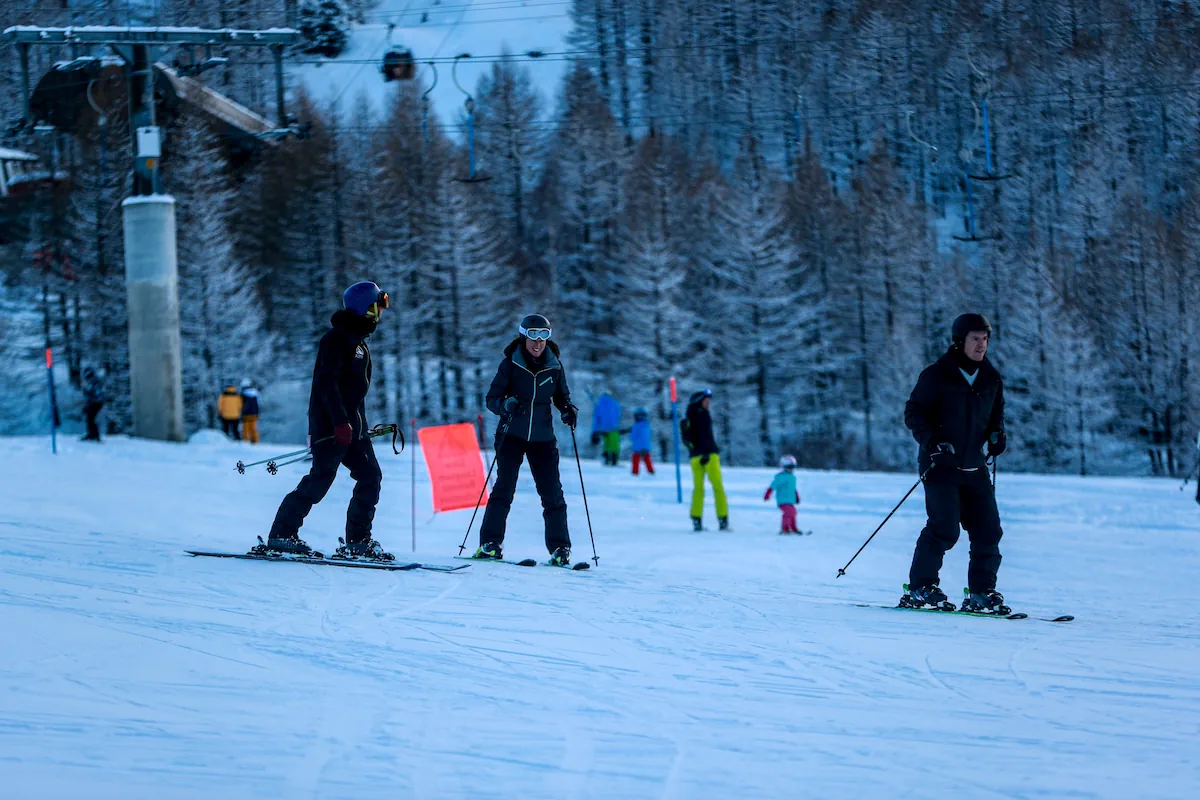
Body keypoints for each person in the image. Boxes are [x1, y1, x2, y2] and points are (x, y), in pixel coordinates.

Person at [263, 281, 393, 561]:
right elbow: (326, 383)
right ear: (365, 308)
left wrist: (359, 426)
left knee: (371, 476)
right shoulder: (336, 339)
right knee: (321, 479)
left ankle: (358, 542)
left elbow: (354, 395)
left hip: (352, 430)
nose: (380, 313)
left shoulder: (359, 343)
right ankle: (281, 535)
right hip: (331, 426)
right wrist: (339, 422)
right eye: (377, 307)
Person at [902, 312, 1008, 613]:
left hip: (975, 467)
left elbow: (995, 415)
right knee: (944, 529)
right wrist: (933, 444)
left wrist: (998, 435)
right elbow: (914, 413)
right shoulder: (937, 374)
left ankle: (982, 593)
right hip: (941, 466)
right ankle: (921, 588)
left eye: (985, 339)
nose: (982, 345)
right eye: (976, 339)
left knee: (988, 531)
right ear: (960, 341)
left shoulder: (990, 377)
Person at [476, 313, 579, 566]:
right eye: (533, 336)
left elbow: (562, 397)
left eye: (543, 336)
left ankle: (560, 548)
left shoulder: (554, 365)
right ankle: (490, 544)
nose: (538, 342)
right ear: (524, 337)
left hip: (542, 439)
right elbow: (492, 400)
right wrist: (505, 405)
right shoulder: (511, 363)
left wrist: (567, 410)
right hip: (511, 434)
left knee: (552, 494)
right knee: (503, 490)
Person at [681, 389, 729, 531]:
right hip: (709, 456)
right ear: (699, 402)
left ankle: (696, 519)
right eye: (706, 400)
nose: (708, 403)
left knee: (698, 489)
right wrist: (706, 453)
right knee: (718, 488)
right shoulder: (703, 415)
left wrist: (696, 452)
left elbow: (688, 439)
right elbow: (706, 436)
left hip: (695, 457)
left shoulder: (687, 418)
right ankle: (723, 519)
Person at [764, 455, 801, 533]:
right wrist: (767, 494)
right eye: (789, 467)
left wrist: (797, 496)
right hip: (783, 500)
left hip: (790, 500)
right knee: (789, 513)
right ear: (784, 467)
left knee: (793, 513)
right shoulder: (781, 477)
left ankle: (793, 527)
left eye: (793, 467)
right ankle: (785, 528)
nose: (791, 469)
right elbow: (773, 486)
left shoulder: (792, 477)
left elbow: (793, 489)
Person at [591, 392, 622, 465]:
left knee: (606, 443)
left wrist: (595, 431)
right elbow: (618, 415)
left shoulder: (598, 405)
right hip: (614, 427)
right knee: (614, 444)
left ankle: (607, 459)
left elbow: (596, 419)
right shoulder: (615, 403)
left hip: (604, 429)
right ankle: (614, 460)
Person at [81, 367, 105, 442]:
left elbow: (94, 393)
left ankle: (95, 435)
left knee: (91, 418)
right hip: (94, 402)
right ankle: (91, 434)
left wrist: (87, 392)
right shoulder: (92, 381)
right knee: (89, 418)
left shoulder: (94, 381)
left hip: (96, 402)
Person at [628, 407, 654, 475]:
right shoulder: (647, 425)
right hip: (646, 447)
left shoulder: (636, 426)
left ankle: (635, 472)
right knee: (647, 460)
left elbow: (632, 437)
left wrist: (630, 434)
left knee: (636, 460)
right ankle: (651, 472)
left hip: (638, 447)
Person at [240, 380, 261, 445]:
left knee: (245, 429)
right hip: (254, 414)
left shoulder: (243, 395)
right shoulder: (255, 394)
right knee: (253, 428)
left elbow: (241, 405)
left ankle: (246, 441)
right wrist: (257, 413)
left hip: (246, 414)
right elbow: (258, 404)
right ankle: (255, 441)